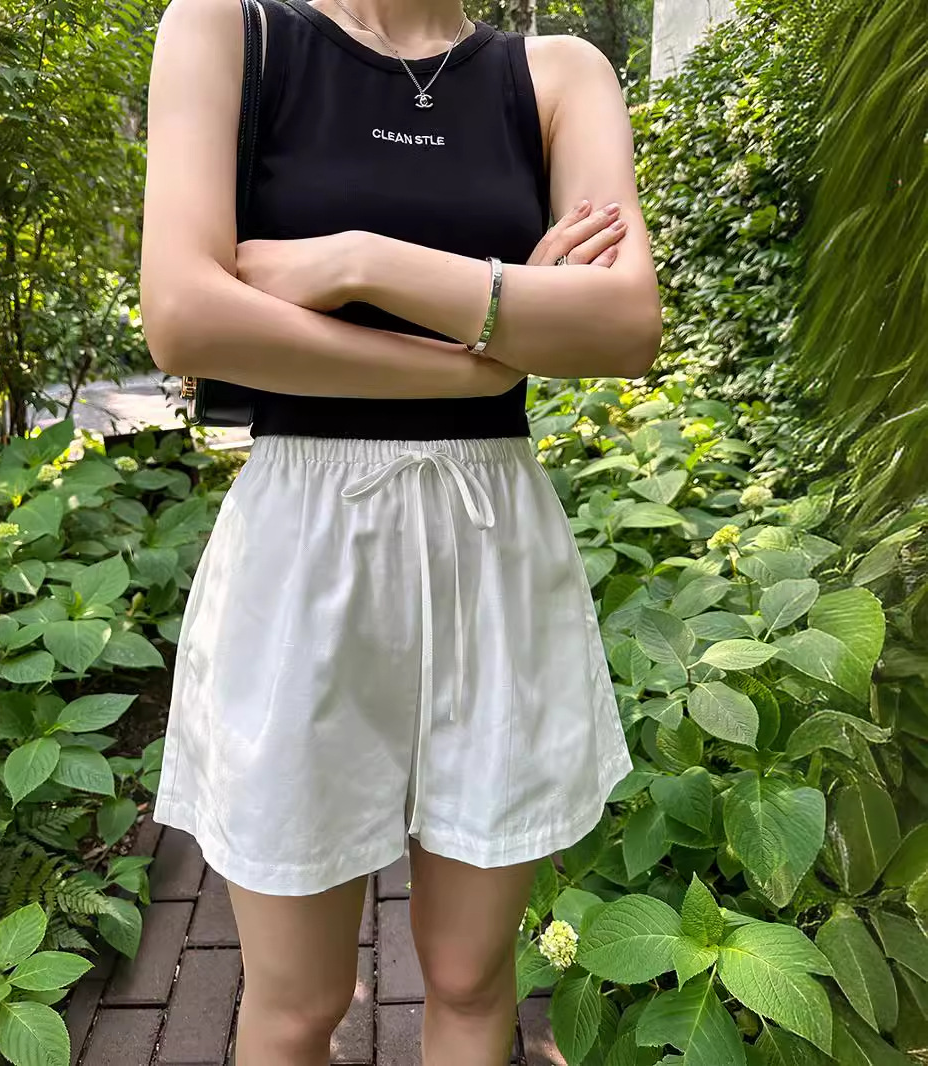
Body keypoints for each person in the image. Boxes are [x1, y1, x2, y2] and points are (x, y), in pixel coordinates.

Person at [141, 0, 661, 1062]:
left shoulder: (558, 75)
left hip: (490, 550)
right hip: (304, 549)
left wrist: (356, 262)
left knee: (472, 980)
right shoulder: (229, 31)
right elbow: (186, 318)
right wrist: (489, 348)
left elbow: (621, 324)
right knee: (298, 1003)